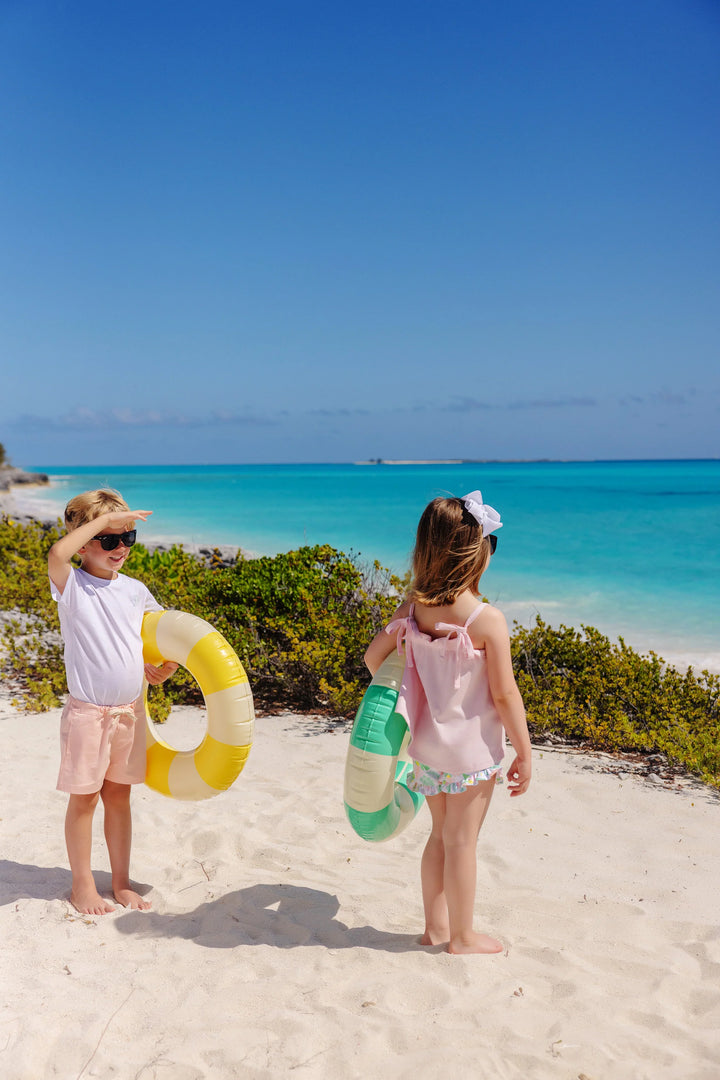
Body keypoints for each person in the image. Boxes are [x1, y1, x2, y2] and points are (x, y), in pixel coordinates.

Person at [364, 490, 532, 955]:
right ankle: (462, 937)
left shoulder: (412, 610)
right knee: (463, 844)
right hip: (473, 754)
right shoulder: (486, 620)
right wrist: (525, 748)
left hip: (428, 749)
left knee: (439, 837)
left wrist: (414, 680)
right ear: (475, 553)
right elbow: (504, 693)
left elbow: (372, 657)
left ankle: (434, 928)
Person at [47, 489, 178, 915]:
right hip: (88, 713)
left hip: (129, 713)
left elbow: (159, 638)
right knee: (84, 799)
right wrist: (105, 520)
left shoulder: (135, 590)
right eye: (109, 540)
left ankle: (120, 882)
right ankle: (82, 885)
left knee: (119, 797)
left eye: (128, 540)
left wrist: (165, 668)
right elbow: (57, 552)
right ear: (86, 541)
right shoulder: (72, 585)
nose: (120, 548)